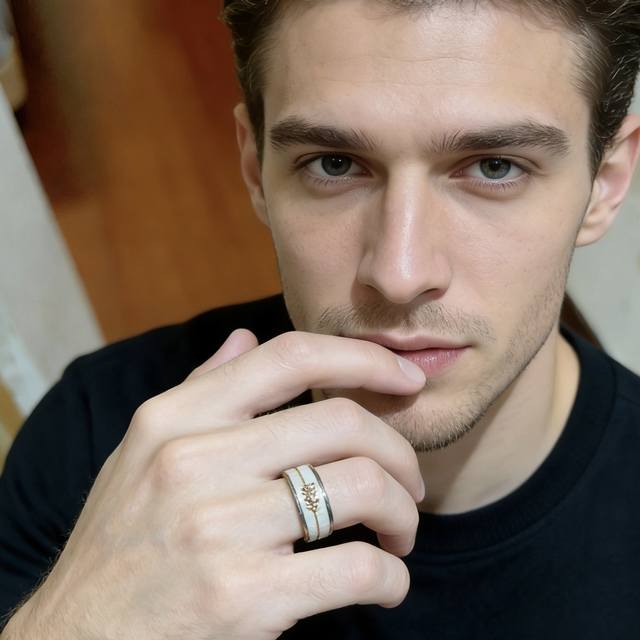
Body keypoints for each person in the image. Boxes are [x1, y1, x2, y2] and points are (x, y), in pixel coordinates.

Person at [2, 0, 640, 637]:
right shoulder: (94, 439)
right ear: (255, 169)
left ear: (605, 184)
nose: (399, 272)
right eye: (334, 163)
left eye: (495, 167)